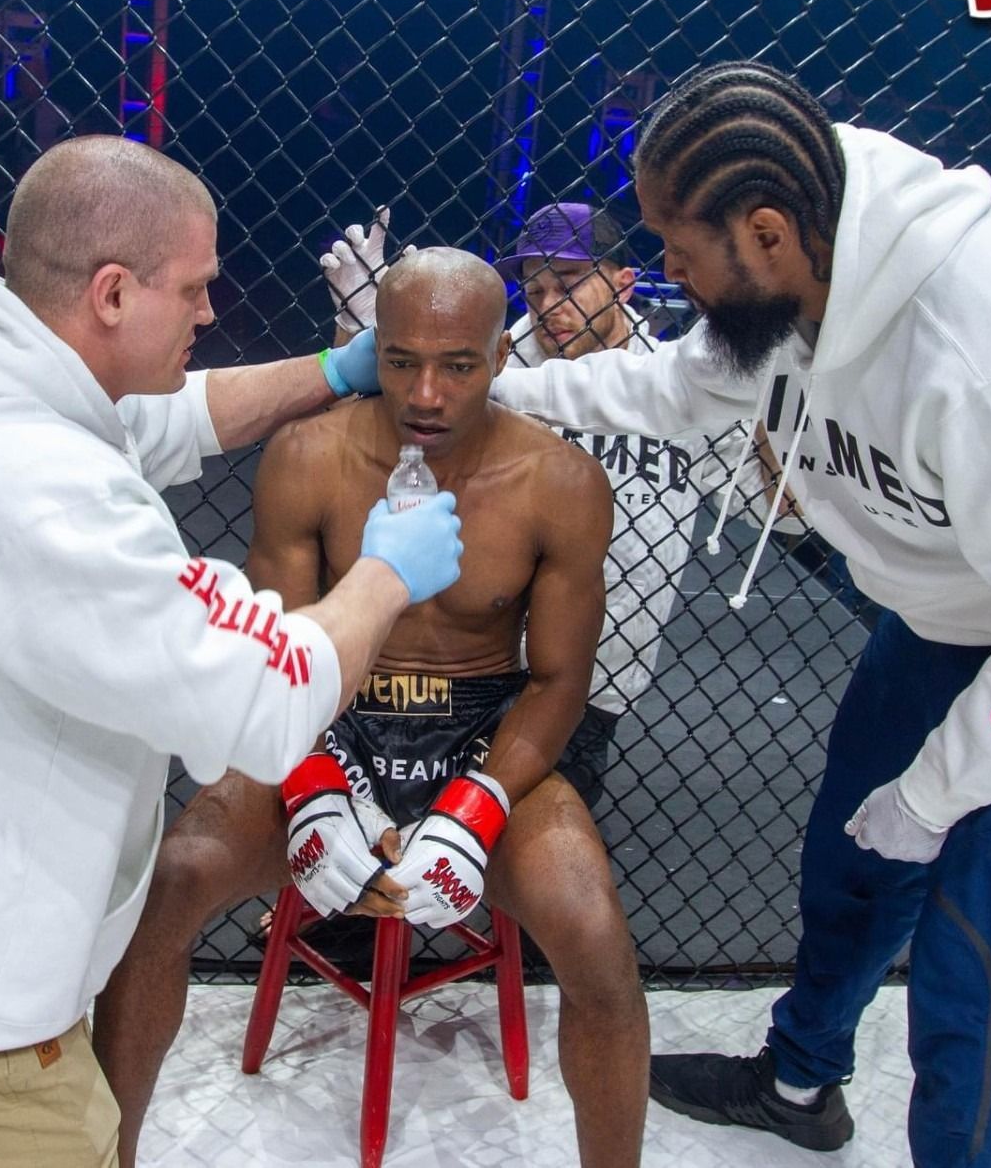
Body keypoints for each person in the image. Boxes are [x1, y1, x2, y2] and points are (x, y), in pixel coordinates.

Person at [489, 61, 991, 1166]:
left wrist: (936, 793)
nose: (666, 273)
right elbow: (675, 390)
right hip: (947, 602)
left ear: (764, 232)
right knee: (852, 853)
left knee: (976, 947)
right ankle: (799, 1085)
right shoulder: (793, 267)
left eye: (678, 250)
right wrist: (492, 388)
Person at [0, 136, 464, 1168]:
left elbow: (169, 420)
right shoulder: (40, 489)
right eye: (193, 289)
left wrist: (334, 369)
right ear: (111, 293)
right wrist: (384, 572)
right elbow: (266, 694)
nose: (208, 312)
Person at [93, 248, 650, 1168]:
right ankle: (105, 1157)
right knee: (173, 881)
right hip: (329, 716)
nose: (426, 392)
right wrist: (313, 784)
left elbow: (558, 683)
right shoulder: (308, 457)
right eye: (401, 361)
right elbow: (281, 646)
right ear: (372, 351)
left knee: (595, 935)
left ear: (499, 357)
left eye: (458, 365)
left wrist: (477, 808)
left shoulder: (559, 483)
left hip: (481, 732)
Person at [321, 200, 797, 814]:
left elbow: (782, 510)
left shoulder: (686, 386)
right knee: (401, 840)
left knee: (520, 845)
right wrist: (367, 337)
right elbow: (348, 455)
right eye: (535, 287)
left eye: (569, 283)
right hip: (464, 655)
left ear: (623, 282)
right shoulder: (487, 356)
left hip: (594, 672)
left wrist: (774, 388)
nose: (549, 305)